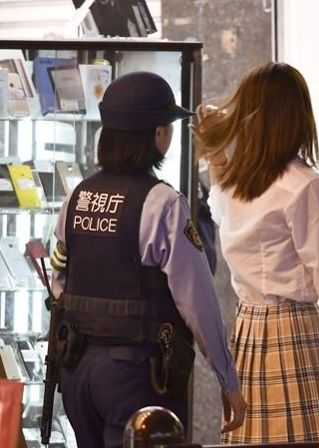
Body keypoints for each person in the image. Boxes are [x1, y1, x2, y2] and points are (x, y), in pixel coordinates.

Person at [190, 62, 319, 444]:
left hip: (246, 328)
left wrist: (214, 147)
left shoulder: (235, 181)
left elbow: (219, 207)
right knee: (302, 438)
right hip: (293, 331)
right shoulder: (303, 185)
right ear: (297, 117)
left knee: (252, 437)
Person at [49, 71, 246, 448]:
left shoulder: (77, 198)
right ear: (157, 134)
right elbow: (197, 301)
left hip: (77, 370)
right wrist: (228, 379)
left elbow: (58, 281)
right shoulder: (163, 205)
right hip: (135, 376)